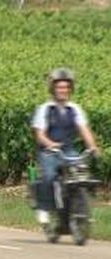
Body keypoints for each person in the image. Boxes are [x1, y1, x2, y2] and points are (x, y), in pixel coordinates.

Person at [31, 68, 100, 224]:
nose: (63, 90)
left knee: (80, 176)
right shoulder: (45, 109)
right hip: (48, 151)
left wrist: (93, 147)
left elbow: (84, 130)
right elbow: (39, 134)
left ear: (70, 89)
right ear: (53, 89)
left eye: (66, 87)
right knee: (48, 176)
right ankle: (44, 208)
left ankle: (80, 208)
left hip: (69, 150)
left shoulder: (74, 109)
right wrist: (50, 144)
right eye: (59, 87)